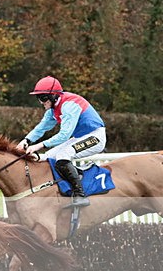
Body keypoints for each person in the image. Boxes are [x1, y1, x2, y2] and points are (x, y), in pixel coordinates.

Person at [17, 76, 106, 208]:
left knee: (63, 155)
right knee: (46, 156)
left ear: (53, 96)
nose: (41, 102)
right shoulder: (52, 109)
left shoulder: (69, 106)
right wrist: (26, 140)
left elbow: (64, 135)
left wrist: (39, 145)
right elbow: (42, 128)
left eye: (43, 97)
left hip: (95, 136)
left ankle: (80, 195)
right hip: (79, 137)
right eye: (38, 98)